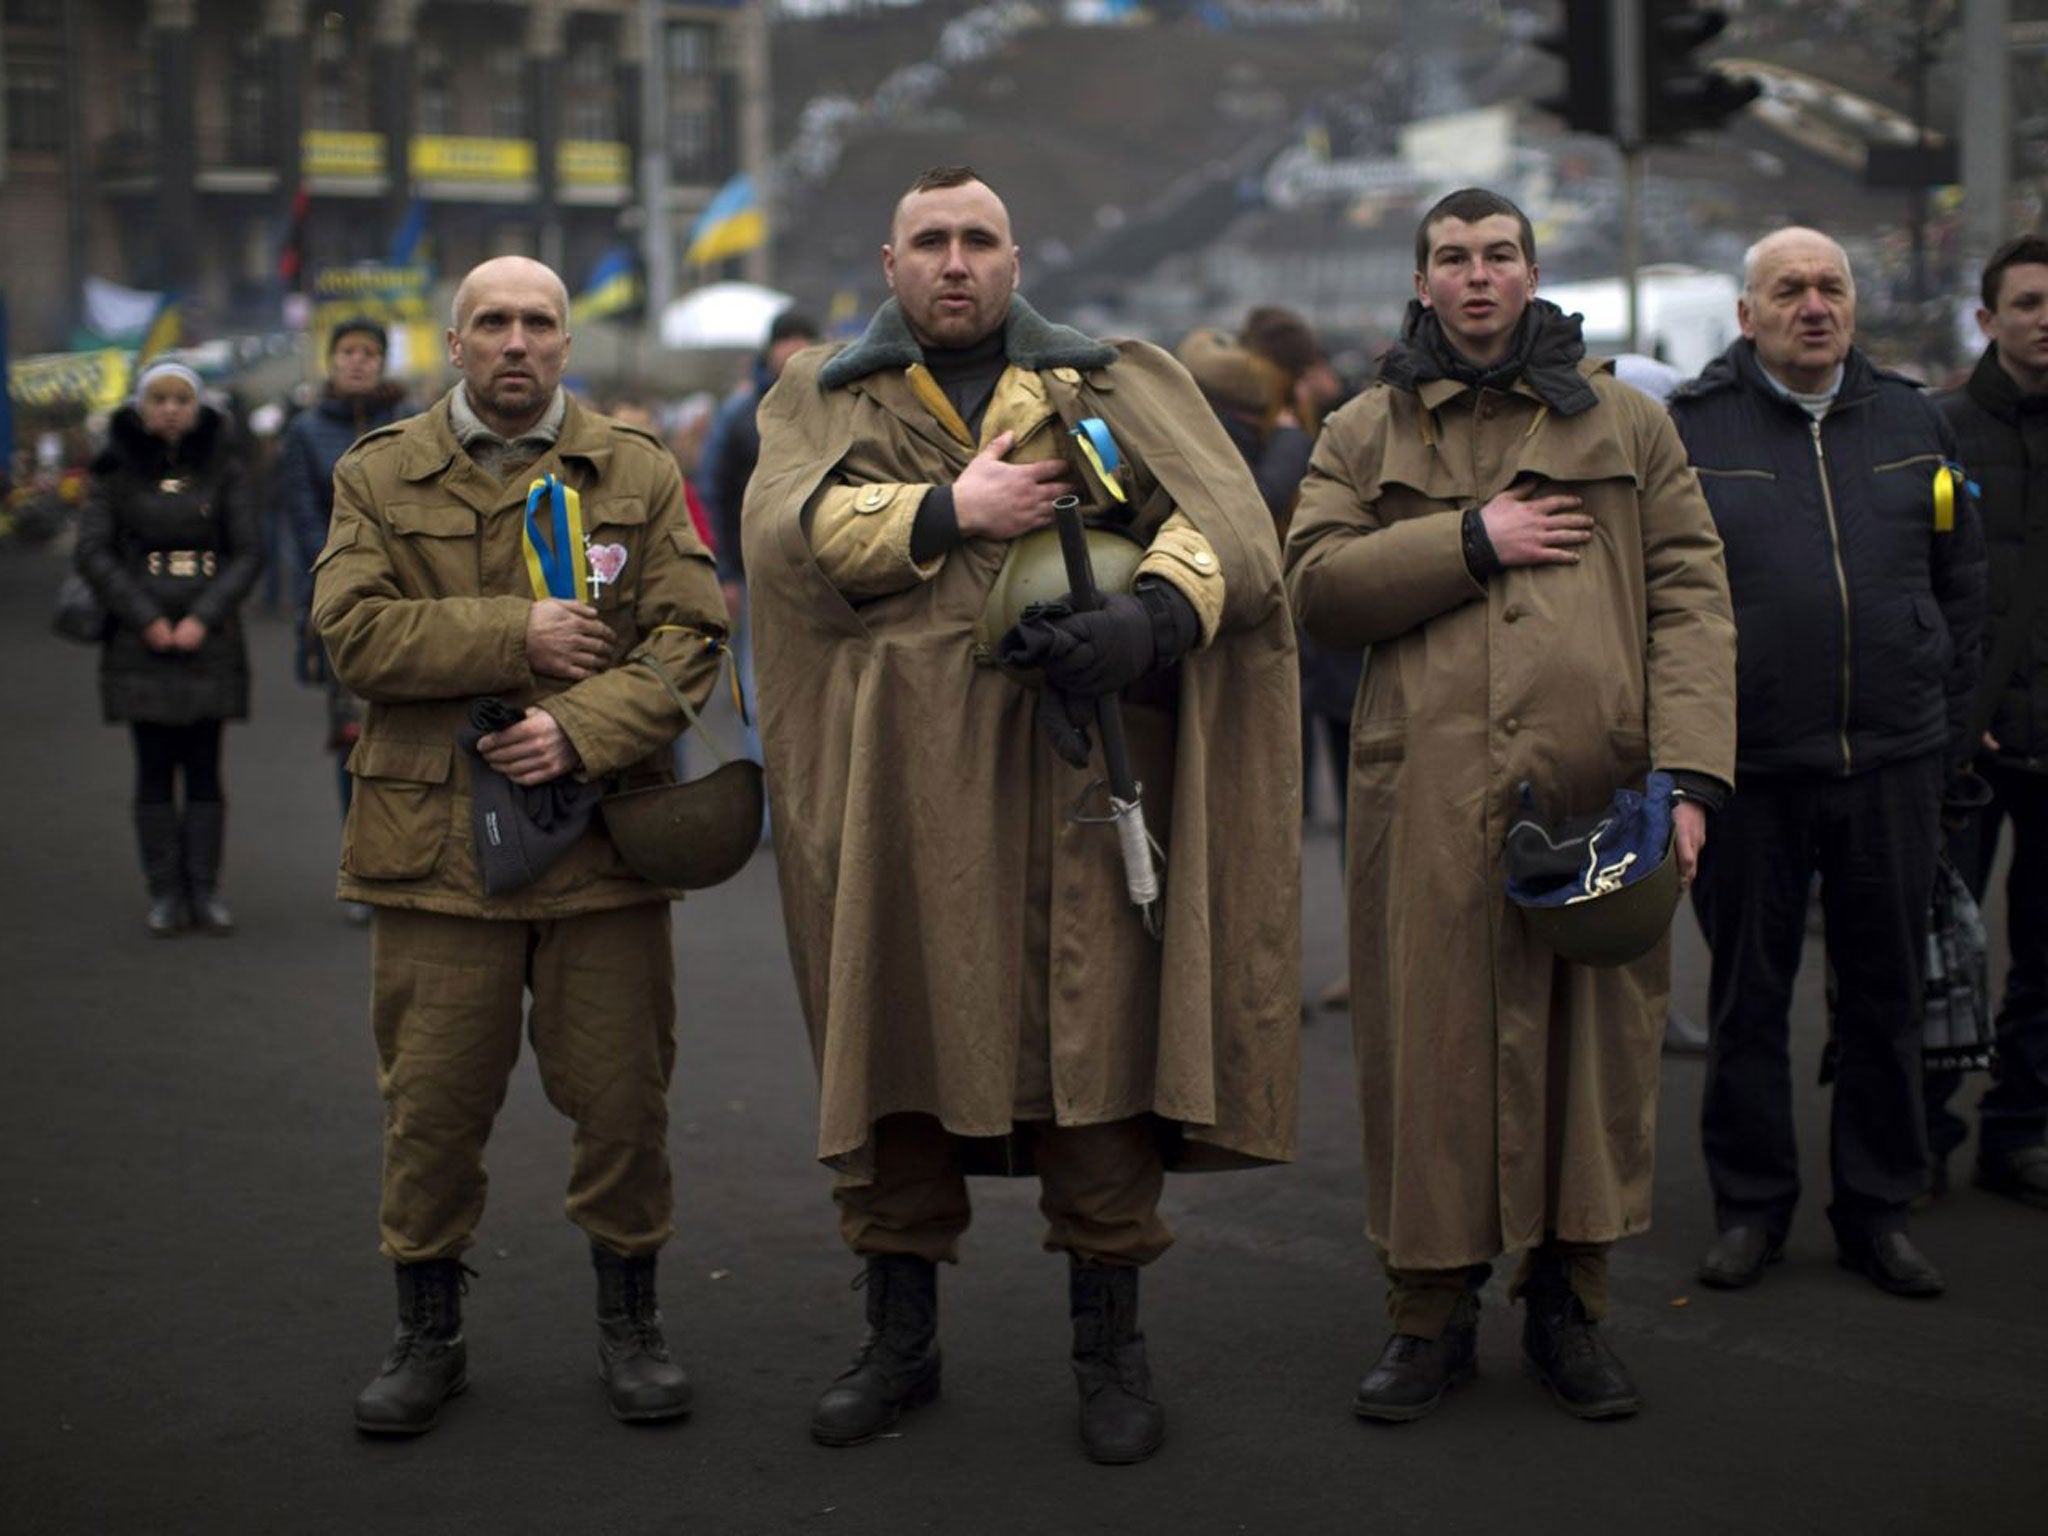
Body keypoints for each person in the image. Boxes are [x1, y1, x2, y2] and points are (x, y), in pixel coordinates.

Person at [743, 166, 1301, 1465]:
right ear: (888, 263)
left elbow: (1234, 530)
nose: (955, 263)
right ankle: (899, 1340)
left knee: (1094, 1054)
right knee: (896, 1050)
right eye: (929, 241)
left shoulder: (1117, 378)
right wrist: (951, 509)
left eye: (978, 240)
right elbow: (782, 541)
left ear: (1014, 256)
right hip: (904, 796)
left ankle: (1112, 1349)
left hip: (1077, 794)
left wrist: (1146, 616)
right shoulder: (821, 392)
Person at [1285, 187, 1737, 1423]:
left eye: (1497, 256)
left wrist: (1688, 778)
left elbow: (1691, 601)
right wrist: (1466, 541)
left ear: (1531, 274)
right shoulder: (1360, 432)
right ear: (1420, 280)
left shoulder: (1626, 424)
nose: (1475, 276)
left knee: (1588, 1053)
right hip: (1422, 795)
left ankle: (1570, 1305)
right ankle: (1423, 1316)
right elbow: (1312, 592)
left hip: (1597, 788)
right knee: (1428, 1052)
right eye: (1450, 258)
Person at [309, 256, 730, 1435]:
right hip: (436, 853)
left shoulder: (634, 470)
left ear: (565, 343)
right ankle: (425, 1335)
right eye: (490, 321)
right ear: (452, 341)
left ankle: (631, 1324)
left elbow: (694, 635)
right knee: (431, 1109)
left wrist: (579, 729)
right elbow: (349, 633)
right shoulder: (379, 471)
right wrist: (516, 637)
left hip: (600, 848)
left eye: (537, 322)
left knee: (623, 1106)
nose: (514, 342)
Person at [1666, 227, 1986, 1298]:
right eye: (1788, 290)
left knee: (1884, 996)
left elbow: (1958, 583)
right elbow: (1660, 604)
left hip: (1890, 762)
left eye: (1830, 287)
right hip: (1749, 768)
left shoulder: (1910, 417)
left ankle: (1875, 1207)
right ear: (1744, 315)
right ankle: (1750, 1209)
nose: (1814, 305)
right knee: (1746, 1001)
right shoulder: (1693, 429)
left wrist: (1939, 732)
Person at [1923, 235, 2048, 1209]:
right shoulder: (1938, 428)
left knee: (2042, 960)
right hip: (1964, 741)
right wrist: (1959, 710)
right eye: (2025, 302)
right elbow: (1911, 589)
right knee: (1940, 946)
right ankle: (1919, 1132)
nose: (2042, 319)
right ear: (1986, 319)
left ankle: (2017, 1133)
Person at [74, 361, 262, 936]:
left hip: (210, 635)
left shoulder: (226, 465)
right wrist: (148, 617)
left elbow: (249, 551)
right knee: (152, 767)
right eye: (159, 398)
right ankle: (164, 893)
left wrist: (203, 617)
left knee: (205, 766)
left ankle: (204, 892)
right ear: (140, 406)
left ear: (199, 406)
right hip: (140, 638)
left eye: (182, 398)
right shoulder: (114, 469)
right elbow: (93, 552)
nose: (171, 408)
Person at [276, 316, 410, 913]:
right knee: (355, 739)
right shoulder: (305, 431)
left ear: (383, 362)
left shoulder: (408, 424)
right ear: (332, 361)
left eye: (369, 352)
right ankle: (362, 863)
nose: (357, 361)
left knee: (413, 736)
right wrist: (331, 581)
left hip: (412, 602)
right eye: (348, 351)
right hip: (343, 604)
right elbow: (302, 514)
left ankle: (409, 859)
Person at [700, 309, 819, 760]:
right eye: (785, 343)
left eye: (802, 342)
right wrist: (725, 572)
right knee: (759, 686)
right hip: (756, 572)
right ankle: (769, 808)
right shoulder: (738, 415)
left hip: (823, 567)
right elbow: (714, 492)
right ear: (770, 352)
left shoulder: (836, 403)